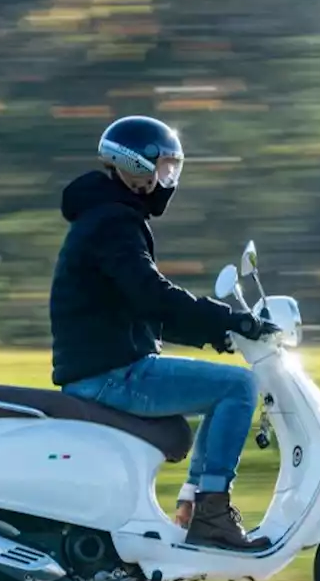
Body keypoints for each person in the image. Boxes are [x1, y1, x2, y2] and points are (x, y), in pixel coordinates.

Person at [50, 115, 278, 551]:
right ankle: (211, 512)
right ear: (133, 168)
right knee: (238, 387)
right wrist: (225, 319)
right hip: (111, 373)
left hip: (108, 366)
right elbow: (153, 295)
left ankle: (194, 505)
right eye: (161, 168)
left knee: (222, 387)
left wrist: (221, 332)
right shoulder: (112, 223)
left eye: (173, 168)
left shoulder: (107, 216)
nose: (167, 179)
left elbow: (146, 305)